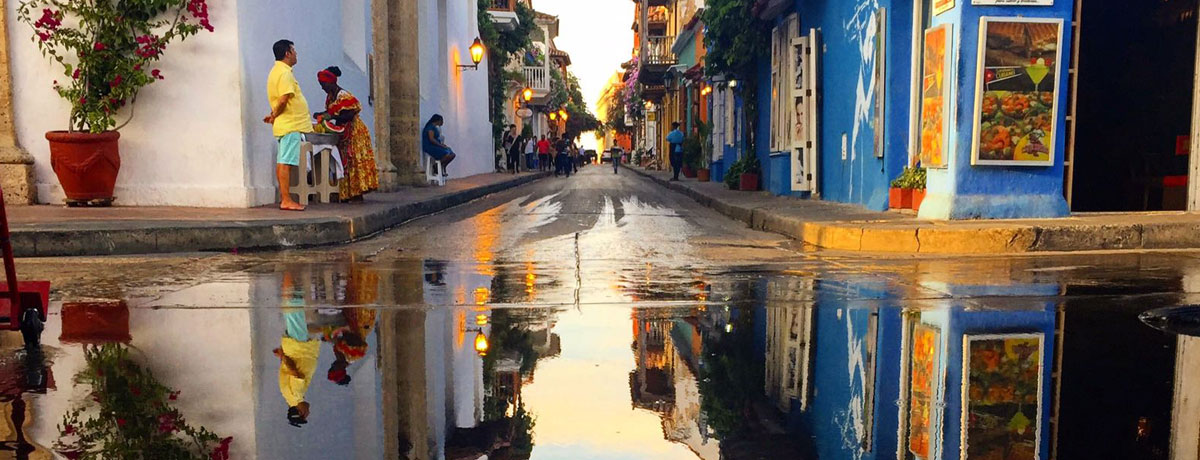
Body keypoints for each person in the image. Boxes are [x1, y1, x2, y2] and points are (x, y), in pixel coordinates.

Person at [314, 66, 378, 203]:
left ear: (331, 82)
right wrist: (323, 115)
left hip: (354, 133)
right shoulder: (330, 97)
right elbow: (333, 113)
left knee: (354, 162)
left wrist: (328, 117)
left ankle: (357, 193)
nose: (322, 88)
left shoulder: (344, 96)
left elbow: (348, 115)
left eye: (323, 84)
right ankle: (347, 193)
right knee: (345, 164)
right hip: (343, 133)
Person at [264, 39, 313, 211]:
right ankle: (286, 199)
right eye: (294, 50)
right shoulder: (284, 73)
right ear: (287, 53)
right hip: (290, 123)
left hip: (287, 123)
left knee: (284, 161)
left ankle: (286, 199)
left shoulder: (278, 71)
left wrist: (273, 115)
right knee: (285, 161)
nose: (296, 53)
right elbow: (284, 98)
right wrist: (275, 115)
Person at [274, 271, 318, 427]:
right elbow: (288, 370)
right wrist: (282, 356)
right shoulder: (288, 395)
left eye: (306, 414)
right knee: (294, 309)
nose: (309, 412)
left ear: (300, 412)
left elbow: (294, 372)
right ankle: (293, 274)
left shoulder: (296, 396)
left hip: (299, 347)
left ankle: (289, 269)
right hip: (295, 347)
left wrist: (282, 355)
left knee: (293, 308)